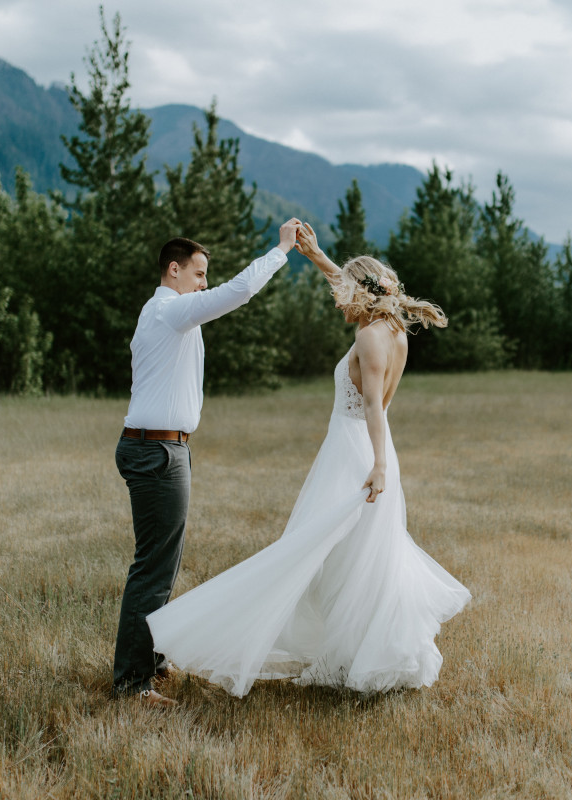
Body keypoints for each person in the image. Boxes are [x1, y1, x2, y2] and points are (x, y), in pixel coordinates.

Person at [146, 223, 471, 698]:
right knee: (357, 559)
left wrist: (378, 466)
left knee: (312, 554)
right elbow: (352, 287)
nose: (337, 301)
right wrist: (319, 257)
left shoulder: (369, 338)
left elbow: (375, 407)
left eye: (343, 293)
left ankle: (234, 636)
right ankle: (355, 654)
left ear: (362, 293)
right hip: (365, 450)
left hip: (358, 453)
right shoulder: (390, 326)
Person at [112, 218, 303, 707]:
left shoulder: (164, 314)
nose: (203, 284)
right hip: (156, 450)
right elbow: (237, 291)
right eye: (197, 274)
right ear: (173, 271)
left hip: (161, 447)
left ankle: (149, 661)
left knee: (162, 564)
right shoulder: (168, 311)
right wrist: (282, 249)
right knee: (153, 569)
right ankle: (133, 684)